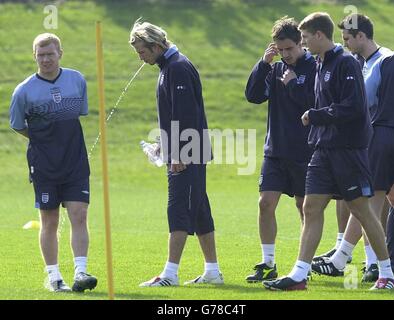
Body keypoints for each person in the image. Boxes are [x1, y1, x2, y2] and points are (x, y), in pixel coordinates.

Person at [263, 12, 394, 291]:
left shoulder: (345, 63)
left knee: (360, 210)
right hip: (323, 150)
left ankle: (387, 273)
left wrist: (316, 115)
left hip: (348, 151)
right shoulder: (321, 62)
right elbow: (314, 101)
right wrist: (310, 110)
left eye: (306, 38)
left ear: (320, 36)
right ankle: (299, 275)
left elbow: (354, 108)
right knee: (311, 208)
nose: (304, 44)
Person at [129, 20, 223, 287]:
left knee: (178, 209)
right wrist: (164, 146)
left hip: (188, 155)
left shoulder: (178, 68)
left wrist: (178, 154)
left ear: (157, 46)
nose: (141, 57)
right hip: (185, 151)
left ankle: (169, 274)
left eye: (142, 52)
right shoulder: (168, 66)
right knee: (200, 210)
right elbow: (175, 116)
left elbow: (187, 115)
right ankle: (213, 272)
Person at [313, 13, 394, 282]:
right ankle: (351, 257)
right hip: (371, 139)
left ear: (361, 36)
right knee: (382, 198)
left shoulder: (388, 60)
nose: (345, 44)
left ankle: (349, 258)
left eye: (347, 39)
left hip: (382, 137)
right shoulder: (358, 64)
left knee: (373, 199)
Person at [9, 33, 97, 292]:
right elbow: (17, 125)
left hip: (75, 161)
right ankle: (54, 276)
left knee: (79, 215)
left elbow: (79, 113)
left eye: (50, 53)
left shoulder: (77, 80)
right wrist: (44, 141)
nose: (46, 59)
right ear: (34, 56)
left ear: (60, 53)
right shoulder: (24, 91)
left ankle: (81, 272)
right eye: (41, 54)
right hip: (45, 164)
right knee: (50, 220)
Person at [244, 16, 316, 282]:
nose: (285, 55)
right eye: (280, 50)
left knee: (303, 206)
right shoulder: (274, 69)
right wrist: (264, 64)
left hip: (305, 151)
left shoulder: (313, 67)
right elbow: (253, 96)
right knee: (265, 203)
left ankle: (302, 265)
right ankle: (268, 262)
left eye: (290, 49)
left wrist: (294, 84)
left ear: (300, 44)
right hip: (275, 150)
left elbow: (313, 104)